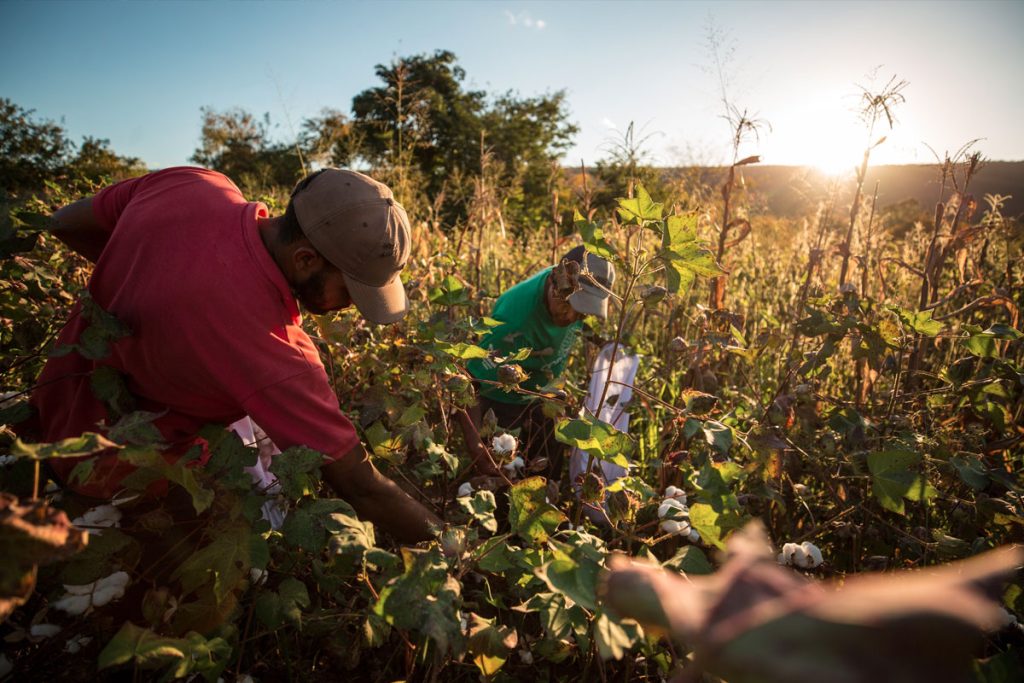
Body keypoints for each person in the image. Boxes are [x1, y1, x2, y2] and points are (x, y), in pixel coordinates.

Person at [23, 166, 441, 543]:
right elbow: (363, 487)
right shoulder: (273, 350)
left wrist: (143, 281)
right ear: (305, 259)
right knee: (228, 558)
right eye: (350, 291)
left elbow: (62, 222)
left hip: (51, 405)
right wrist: (453, 546)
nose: (352, 307)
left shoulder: (191, 185)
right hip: (110, 474)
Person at [456, 246, 615, 478]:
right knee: (503, 482)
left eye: (582, 312)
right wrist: (476, 447)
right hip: (501, 404)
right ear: (553, 283)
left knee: (547, 476)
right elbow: (471, 383)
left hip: (545, 398)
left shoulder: (570, 283)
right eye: (570, 306)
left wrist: (605, 344)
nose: (572, 318)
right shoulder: (512, 323)